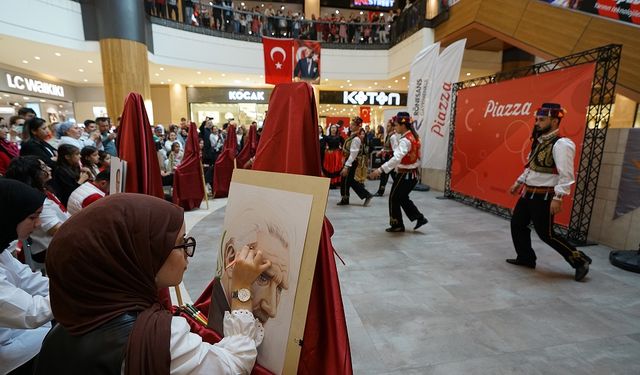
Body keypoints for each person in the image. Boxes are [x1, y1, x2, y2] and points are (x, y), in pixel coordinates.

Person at [35, 193, 270, 374]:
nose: (188, 252)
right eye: (181, 243)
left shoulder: (64, 328)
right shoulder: (155, 338)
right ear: (136, 257)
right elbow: (233, 365)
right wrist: (241, 290)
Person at [506, 103, 592, 281]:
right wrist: (519, 182)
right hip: (528, 193)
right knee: (517, 224)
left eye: (542, 119)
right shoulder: (539, 140)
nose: (537, 122)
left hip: (544, 196)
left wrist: (559, 197)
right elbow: (531, 167)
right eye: (537, 119)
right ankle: (526, 258)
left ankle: (580, 260)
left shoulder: (562, 144)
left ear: (554, 121)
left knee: (547, 234)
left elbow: (566, 174)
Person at [0, 179, 53, 375]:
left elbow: (29, 280)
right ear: (9, 215)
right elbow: (31, 313)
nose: (38, 224)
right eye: (32, 217)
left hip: (19, 336)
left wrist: (71, 285)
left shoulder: (2, 250)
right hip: (8, 355)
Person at [5, 156, 71, 270]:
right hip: (49, 247)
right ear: (33, 175)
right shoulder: (36, 201)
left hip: (60, 239)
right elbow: (54, 230)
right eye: (43, 167)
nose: (49, 168)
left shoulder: (44, 190)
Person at [369, 112, 428, 232]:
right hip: (412, 173)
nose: (394, 127)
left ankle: (397, 224)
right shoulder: (414, 136)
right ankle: (419, 218)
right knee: (402, 197)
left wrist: (380, 170)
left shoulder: (405, 140)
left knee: (394, 197)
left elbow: (397, 158)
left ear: (403, 125)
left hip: (405, 174)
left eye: (396, 125)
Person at [338, 117, 373, 206]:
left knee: (345, 180)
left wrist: (346, 166)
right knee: (350, 181)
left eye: (353, 125)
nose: (350, 126)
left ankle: (346, 198)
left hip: (351, 161)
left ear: (358, 126)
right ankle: (364, 195)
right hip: (349, 160)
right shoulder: (352, 136)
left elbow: (353, 154)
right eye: (351, 124)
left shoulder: (356, 139)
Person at [374, 119, 398, 196]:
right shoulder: (389, 135)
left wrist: (393, 161)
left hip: (389, 159)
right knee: (387, 176)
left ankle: (381, 192)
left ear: (393, 127)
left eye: (388, 126)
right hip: (387, 158)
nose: (387, 127)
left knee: (387, 175)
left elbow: (395, 150)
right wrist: (381, 152)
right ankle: (381, 191)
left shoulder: (393, 137)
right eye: (387, 126)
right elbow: (386, 147)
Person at [322, 124, 343, 189]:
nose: (333, 129)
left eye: (335, 128)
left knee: (337, 167)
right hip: (329, 154)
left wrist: (341, 148)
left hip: (337, 154)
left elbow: (344, 144)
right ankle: (330, 183)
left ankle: (336, 182)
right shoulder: (327, 137)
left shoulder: (339, 137)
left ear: (337, 129)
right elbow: (323, 145)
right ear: (330, 129)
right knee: (330, 168)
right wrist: (326, 149)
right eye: (332, 128)